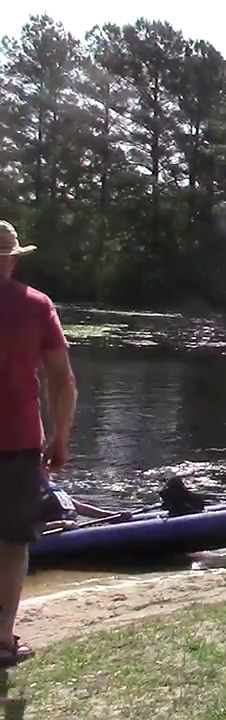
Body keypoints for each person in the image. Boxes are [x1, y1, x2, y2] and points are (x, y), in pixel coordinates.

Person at [0, 219, 77, 667]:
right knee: (10, 544)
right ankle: (3, 639)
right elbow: (61, 380)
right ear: (11, 258)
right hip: (18, 441)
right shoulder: (36, 305)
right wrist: (61, 436)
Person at [39, 473, 130, 533]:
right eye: (43, 463)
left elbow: (78, 507)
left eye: (47, 462)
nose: (48, 466)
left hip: (70, 529)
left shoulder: (49, 486)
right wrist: (61, 524)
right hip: (52, 536)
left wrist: (110, 515)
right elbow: (27, 528)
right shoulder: (28, 492)